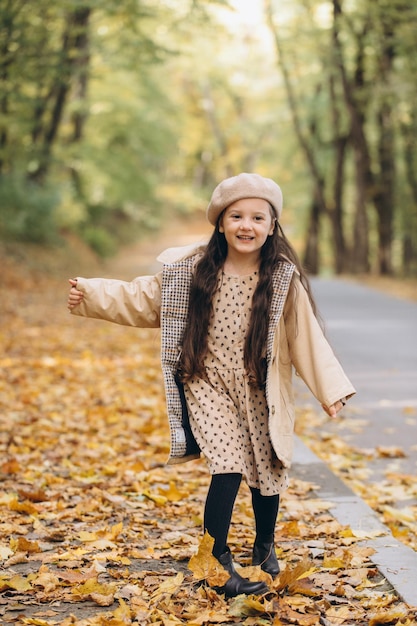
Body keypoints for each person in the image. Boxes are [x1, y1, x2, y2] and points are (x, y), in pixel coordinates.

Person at [68, 173, 355, 598]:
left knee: (268, 468)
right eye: (236, 215)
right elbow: (141, 297)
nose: (246, 225)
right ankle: (216, 560)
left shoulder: (280, 280)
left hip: (259, 387)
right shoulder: (192, 272)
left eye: (258, 217)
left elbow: (305, 336)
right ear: (221, 222)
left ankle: (264, 545)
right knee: (228, 464)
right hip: (206, 383)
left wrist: (330, 391)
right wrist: (91, 294)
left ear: (272, 226)